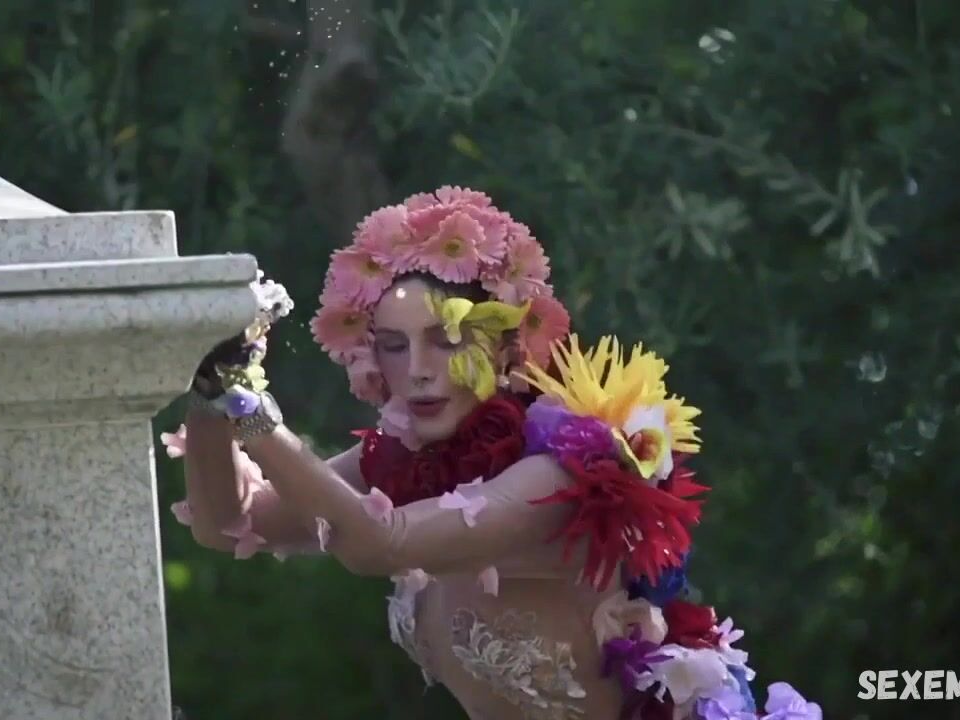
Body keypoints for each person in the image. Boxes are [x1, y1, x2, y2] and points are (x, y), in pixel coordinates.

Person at [164, 187, 820, 720]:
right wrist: (209, 387)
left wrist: (247, 402)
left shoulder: (566, 472)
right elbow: (232, 523)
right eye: (394, 345)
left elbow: (377, 544)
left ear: (506, 349)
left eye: (447, 339)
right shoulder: (399, 462)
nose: (418, 369)